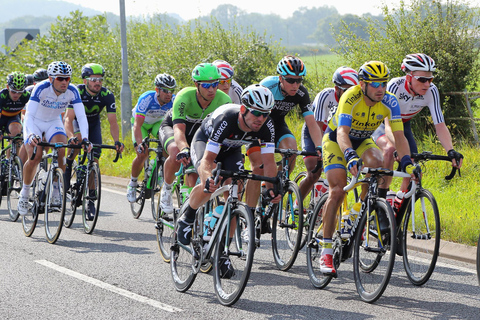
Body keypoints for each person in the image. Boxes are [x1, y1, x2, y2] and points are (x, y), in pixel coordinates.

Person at [319, 61, 417, 275]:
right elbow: (342, 133)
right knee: (337, 190)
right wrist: (349, 155)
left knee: (378, 163)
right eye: (374, 84)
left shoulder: (390, 101)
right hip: (337, 140)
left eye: (383, 83)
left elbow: (399, 136)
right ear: (362, 85)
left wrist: (408, 162)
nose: (380, 88)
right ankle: (326, 251)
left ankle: (359, 208)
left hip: (363, 140)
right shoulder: (351, 97)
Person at [175, 84, 281, 254]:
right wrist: (208, 178)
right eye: (256, 113)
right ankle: (187, 218)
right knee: (210, 183)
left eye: (265, 114)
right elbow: (207, 160)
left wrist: (271, 190)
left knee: (234, 197)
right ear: (243, 109)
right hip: (205, 142)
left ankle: (223, 253)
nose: (261, 118)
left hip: (231, 149)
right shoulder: (227, 119)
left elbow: (268, 162)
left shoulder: (267, 125)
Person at [372, 53, 463, 210]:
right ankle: (380, 199)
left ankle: (398, 204)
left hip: (403, 124)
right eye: (422, 79)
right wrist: (399, 149)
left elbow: (440, 125)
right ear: (409, 77)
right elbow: (388, 127)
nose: (427, 84)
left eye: (430, 79)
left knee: (414, 168)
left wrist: (451, 150)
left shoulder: (431, 91)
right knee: (390, 150)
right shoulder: (395, 86)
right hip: (380, 122)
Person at [244, 55, 322, 225]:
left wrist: (319, 146)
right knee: (258, 167)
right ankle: (249, 214)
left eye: (299, 80)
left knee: (291, 150)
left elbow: (311, 123)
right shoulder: (268, 87)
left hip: (278, 126)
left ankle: (275, 183)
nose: (295, 85)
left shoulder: (301, 93)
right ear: (280, 78)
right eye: (290, 80)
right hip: (258, 128)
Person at [18, 61, 91, 216]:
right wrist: (30, 134)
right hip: (35, 123)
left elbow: (82, 116)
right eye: (60, 78)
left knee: (61, 151)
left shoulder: (73, 91)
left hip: (53, 122)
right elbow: (29, 115)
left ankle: (56, 189)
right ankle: (24, 193)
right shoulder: (41, 88)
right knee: (35, 156)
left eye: (67, 78)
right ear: (51, 79)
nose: (64, 82)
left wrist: (85, 138)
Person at [158, 63, 231, 215]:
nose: (211, 90)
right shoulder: (184, 96)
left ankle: (192, 208)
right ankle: (167, 188)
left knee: (199, 168)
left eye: (215, 84)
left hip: (199, 135)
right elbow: (179, 129)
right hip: (173, 128)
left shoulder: (224, 100)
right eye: (206, 85)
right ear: (196, 85)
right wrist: (184, 148)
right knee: (175, 151)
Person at [63, 63, 124, 219]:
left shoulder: (107, 95)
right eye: (94, 79)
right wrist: (70, 136)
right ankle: (68, 167)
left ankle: (90, 200)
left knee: (94, 160)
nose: (98, 83)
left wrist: (117, 141)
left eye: (100, 79)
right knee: (76, 142)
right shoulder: (76, 92)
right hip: (76, 122)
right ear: (85, 81)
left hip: (93, 125)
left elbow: (113, 122)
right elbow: (68, 118)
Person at [298, 66, 359, 200]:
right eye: (347, 89)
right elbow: (317, 125)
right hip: (314, 131)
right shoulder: (325, 95)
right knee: (314, 172)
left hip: (336, 135)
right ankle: (297, 207)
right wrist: (321, 150)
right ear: (337, 88)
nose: (351, 93)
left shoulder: (356, 101)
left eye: (354, 89)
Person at [126, 73, 176, 203]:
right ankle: (132, 183)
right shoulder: (147, 98)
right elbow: (137, 125)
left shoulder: (174, 101)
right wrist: (139, 144)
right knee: (142, 154)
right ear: (157, 90)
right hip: (141, 124)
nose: (168, 94)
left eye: (171, 91)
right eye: (165, 90)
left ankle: (160, 169)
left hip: (157, 123)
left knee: (168, 142)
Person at [0, 72, 30, 163]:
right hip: (1, 118)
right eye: (13, 91)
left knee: (17, 134)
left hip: (13, 118)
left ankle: (10, 162)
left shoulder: (26, 96)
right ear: (8, 87)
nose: (16, 95)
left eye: (20, 92)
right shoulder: (2, 95)